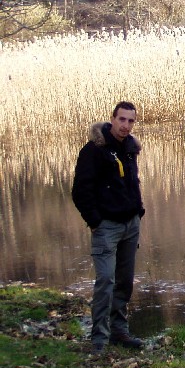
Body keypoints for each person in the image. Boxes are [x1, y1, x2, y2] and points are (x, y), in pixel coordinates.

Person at [72, 101, 146, 355]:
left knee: (124, 282)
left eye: (131, 121)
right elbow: (81, 190)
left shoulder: (130, 149)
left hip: (130, 225)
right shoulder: (94, 150)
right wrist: (95, 221)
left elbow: (132, 184)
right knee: (105, 280)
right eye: (122, 119)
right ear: (112, 119)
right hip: (106, 227)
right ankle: (99, 339)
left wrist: (138, 210)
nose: (126, 125)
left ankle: (118, 331)